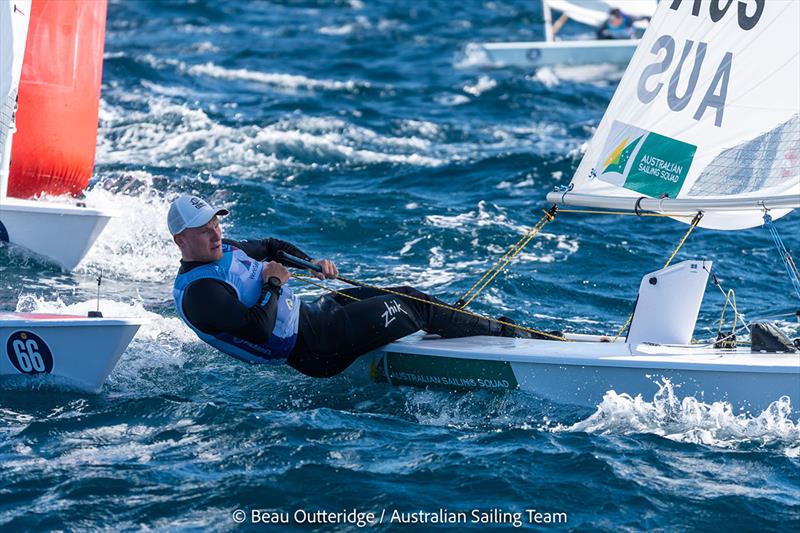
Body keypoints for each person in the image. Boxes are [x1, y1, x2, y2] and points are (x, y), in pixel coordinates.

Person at [168, 195, 540, 378]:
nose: (215, 233)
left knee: (407, 294)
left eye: (216, 223)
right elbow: (257, 327)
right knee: (416, 309)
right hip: (315, 347)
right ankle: (516, 338)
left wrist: (309, 262)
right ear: (180, 241)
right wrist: (273, 285)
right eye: (204, 231)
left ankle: (474, 329)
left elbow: (270, 246)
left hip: (316, 315)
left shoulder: (227, 248)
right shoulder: (202, 293)